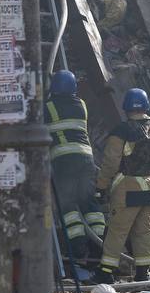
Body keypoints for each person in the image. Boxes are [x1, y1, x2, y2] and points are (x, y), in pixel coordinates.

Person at [95, 88, 150, 283]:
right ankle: (143, 273)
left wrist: (101, 186)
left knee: (118, 230)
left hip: (127, 187)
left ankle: (105, 272)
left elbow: (111, 161)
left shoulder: (121, 131)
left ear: (126, 107)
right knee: (144, 231)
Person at [45, 70, 105, 266]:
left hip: (64, 160)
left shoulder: (49, 107)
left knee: (68, 205)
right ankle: (99, 246)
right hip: (87, 160)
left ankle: (79, 249)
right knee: (89, 203)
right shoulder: (82, 105)